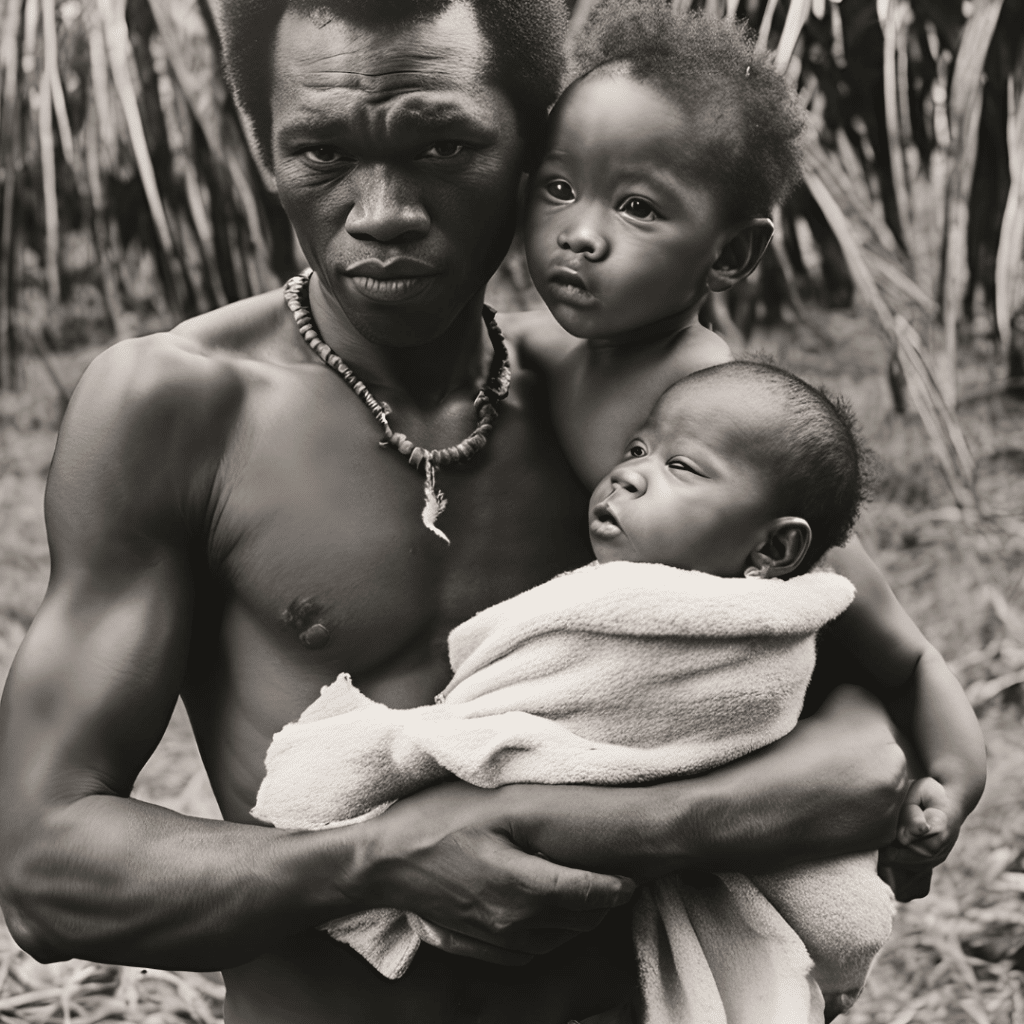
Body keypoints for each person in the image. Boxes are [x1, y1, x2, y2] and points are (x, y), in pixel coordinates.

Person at [0, 2, 919, 1022]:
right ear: (267, 148)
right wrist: (375, 860)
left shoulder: (624, 413)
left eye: (444, 144)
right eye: (321, 151)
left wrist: (588, 823)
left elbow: (867, 758)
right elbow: (44, 867)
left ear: (531, 151)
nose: (383, 208)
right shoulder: (177, 408)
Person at [254, 362, 900, 1023]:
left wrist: (412, 756)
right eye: (637, 449)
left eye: (684, 468)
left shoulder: (725, 632)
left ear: (774, 549)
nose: (628, 473)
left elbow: (581, 724)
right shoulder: (623, 593)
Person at [514, 1, 985, 865]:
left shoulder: (709, 407)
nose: (579, 233)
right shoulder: (535, 347)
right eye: (557, 188)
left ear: (729, 257)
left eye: (638, 208)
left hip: (739, 757)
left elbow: (887, 634)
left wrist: (953, 775)